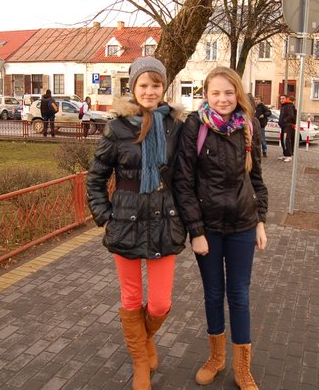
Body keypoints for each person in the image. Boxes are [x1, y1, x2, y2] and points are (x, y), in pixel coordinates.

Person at [86, 57, 186, 390]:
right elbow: (96, 178)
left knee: (160, 303)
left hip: (164, 220)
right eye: (143, 85)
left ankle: (144, 339)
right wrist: (104, 217)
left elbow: (185, 175)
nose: (149, 91)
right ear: (133, 87)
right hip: (126, 221)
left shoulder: (175, 125)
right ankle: (140, 362)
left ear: (164, 87)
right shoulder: (117, 128)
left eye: (156, 85)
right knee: (131, 299)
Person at [174, 66, 268, 390]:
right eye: (215, 93)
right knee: (213, 294)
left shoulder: (249, 126)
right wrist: (196, 231)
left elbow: (256, 180)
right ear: (206, 95)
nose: (223, 99)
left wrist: (260, 221)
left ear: (238, 94)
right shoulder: (195, 126)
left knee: (239, 295)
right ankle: (216, 358)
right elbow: (183, 183)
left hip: (243, 225)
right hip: (209, 230)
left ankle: (243, 368)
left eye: (229, 92)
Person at [278, 95, 297, 162]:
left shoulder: (289, 106)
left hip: (288, 126)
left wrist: (284, 120)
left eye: (283, 98)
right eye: (281, 98)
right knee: (282, 140)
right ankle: (285, 154)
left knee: (286, 140)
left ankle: (289, 155)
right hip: (284, 126)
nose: (281, 100)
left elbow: (291, 115)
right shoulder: (283, 106)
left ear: (286, 99)